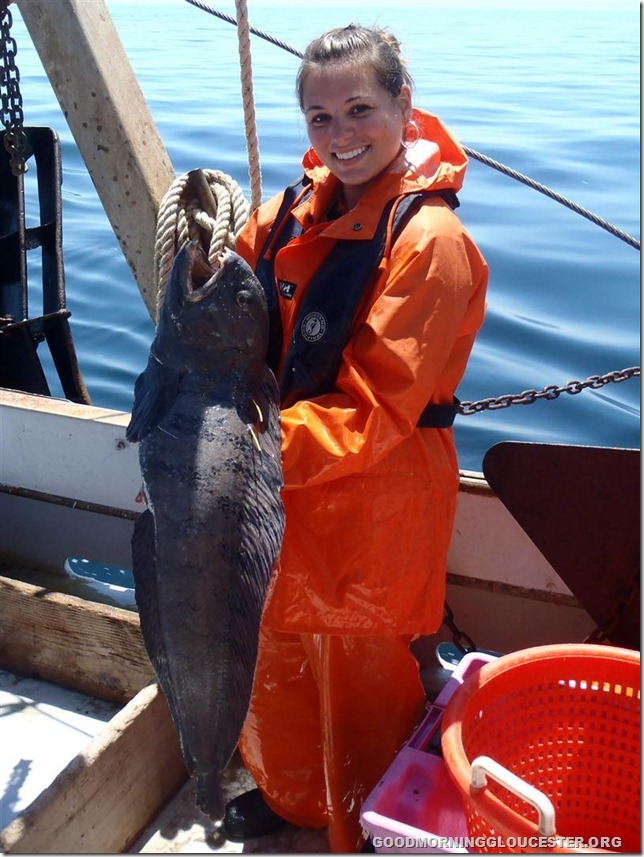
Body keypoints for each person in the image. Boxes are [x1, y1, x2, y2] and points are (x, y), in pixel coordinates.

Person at [224, 23, 489, 853]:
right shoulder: (285, 215)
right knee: (274, 667)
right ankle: (293, 796)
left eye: (360, 109)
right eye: (320, 117)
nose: (340, 135)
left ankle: (367, 824)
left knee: (360, 688)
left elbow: (375, 411)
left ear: (404, 105)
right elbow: (230, 301)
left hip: (372, 513)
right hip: (274, 499)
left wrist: (233, 452)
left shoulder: (430, 243)